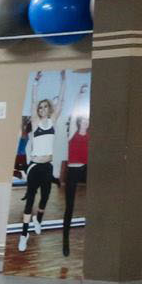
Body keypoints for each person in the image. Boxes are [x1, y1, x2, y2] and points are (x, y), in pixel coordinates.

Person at [17, 97, 59, 252]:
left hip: (48, 166)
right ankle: (24, 235)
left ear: (49, 109)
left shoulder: (53, 122)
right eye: (40, 107)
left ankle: (38, 220)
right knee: (30, 201)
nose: (42, 109)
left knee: (45, 197)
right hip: (35, 167)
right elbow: (33, 103)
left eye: (45, 107)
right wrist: (35, 85)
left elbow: (61, 102)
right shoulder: (35, 123)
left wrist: (63, 84)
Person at [59, 104, 89, 257]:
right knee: (69, 207)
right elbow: (73, 116)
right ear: (78, 121)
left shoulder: (91, 135)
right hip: (73, 170)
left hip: (86, 169)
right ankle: (65, 241)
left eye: (87, 120)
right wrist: (78, 97)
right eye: (83, 120)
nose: (85, 122)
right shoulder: (73, 133)